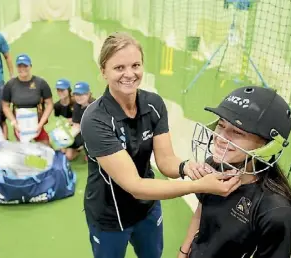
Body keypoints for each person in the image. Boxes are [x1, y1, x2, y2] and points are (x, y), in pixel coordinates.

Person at [80, 32, 242, 258]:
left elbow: (165, 161)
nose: (129, 74)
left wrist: (187, 167)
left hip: (147, 208)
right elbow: (135, 185)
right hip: (109, 216)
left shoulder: (153, 104)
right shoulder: (95, 119)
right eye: (119, 68)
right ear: (103, 72)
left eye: (135, 65)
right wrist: (200, 186)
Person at [178, 86, 291, 258]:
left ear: (267, 145)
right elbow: (200, 213)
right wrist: (184, 251)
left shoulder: (276, 213)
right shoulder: (214, 165)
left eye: (237, 132)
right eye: (221, 125)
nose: (221, 137)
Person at [2, 54, 54, 146]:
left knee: (46, 150)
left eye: (25, 66)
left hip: (37, 122)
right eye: (19, 66)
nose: (22, 68)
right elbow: (5, 106)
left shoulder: (40, 83)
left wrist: (41, 124)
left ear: (30, 66)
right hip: (20, 125)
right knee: (24, 154)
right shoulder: (10, 85)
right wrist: (14, 123)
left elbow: (49, 104)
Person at [64, 81, 95, 161]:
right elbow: (76, 124)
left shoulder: (95, 107)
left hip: (94, 134)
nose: (78, 97)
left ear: (88, 94)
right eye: (77, 94)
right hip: (81, 132)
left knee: (89, 159)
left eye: (82, 94)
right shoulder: (77, 105)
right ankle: (79, 148)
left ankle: (88, 149)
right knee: (68, 156)